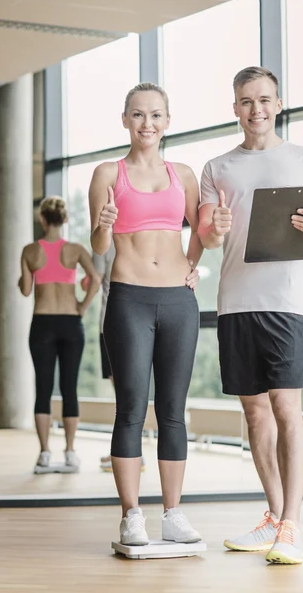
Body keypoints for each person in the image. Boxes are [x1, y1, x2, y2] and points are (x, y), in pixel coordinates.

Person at [198, 66, 303, 564]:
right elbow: (207, 237)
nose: (255, 109)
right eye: (245, 101)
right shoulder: (217, 167)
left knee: (286, 407)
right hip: (236, 303)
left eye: (264, 99)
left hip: (286, 305)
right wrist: (214, 227)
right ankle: (275, 517)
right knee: (254, 412)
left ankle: (293, 526)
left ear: (278, 103)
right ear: (235, 107)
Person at [89, 82, 203, 546]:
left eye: (156, 115)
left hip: (178, 299)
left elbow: (203, 230)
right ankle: (131, 514)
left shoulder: (185, 174)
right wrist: (103, 225)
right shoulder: (105, 173)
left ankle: (173, 514)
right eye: (138, 115)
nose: (147, 123)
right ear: (124, 120)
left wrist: (194, 265)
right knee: (131, 410)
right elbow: (98, 248)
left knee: (173, 412)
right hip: (129, 298)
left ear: (168, 121)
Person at [18, 196, 101, 472]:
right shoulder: (75, 250)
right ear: (65, 219)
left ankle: (44, 453)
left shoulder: (30, 251)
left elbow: (26, 290)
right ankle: (69, 452)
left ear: (42, 219)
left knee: (43, 389)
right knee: (70, 389)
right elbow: (97, 279)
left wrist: (24, 276)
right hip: (70, 322)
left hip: (42, 322)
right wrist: (82, 307)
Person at [81, 244, 145, 473]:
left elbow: (96, 279)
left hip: (111, 323)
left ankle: (131, 452)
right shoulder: (137, 238)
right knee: (130, 392)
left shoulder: (104, 243)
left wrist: (82, 306)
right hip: (141, 324)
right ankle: (132, 451)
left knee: (124, 394)